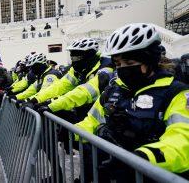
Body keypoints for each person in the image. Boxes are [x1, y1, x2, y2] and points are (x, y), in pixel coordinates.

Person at [76, 23, 189, 181]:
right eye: (118, 64)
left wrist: (141, 158)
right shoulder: (113, 90)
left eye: (129, 64)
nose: (122, 69)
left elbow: (182, 141)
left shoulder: (175, 93)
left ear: (149, 61)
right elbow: (91, 121)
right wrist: (68, 132)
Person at [33, 38, 114, 125]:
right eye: (72, 57)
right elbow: (59, 86)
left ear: (89, 55)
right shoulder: (78, 69)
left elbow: (85, 92)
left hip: (102, 117)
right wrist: (36, 99)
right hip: (84, 112)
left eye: (76, 57)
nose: (73, 60)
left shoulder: (106, 69)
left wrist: (52, 105)